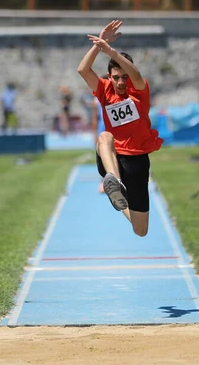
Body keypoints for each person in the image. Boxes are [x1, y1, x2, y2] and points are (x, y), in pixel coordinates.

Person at [77, 20, 163, 237]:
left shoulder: (139, 90)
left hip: (137, 162)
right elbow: (82, 69)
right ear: (109, 78)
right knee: (105, 136)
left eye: (124, 77)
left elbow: (135, 73)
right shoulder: (104, 89)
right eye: (116, 78)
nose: (121, 82)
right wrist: (99, 43)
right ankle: (113, 182)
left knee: (141, 230)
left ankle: (119, 198)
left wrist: (112, 51)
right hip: (113, 157)